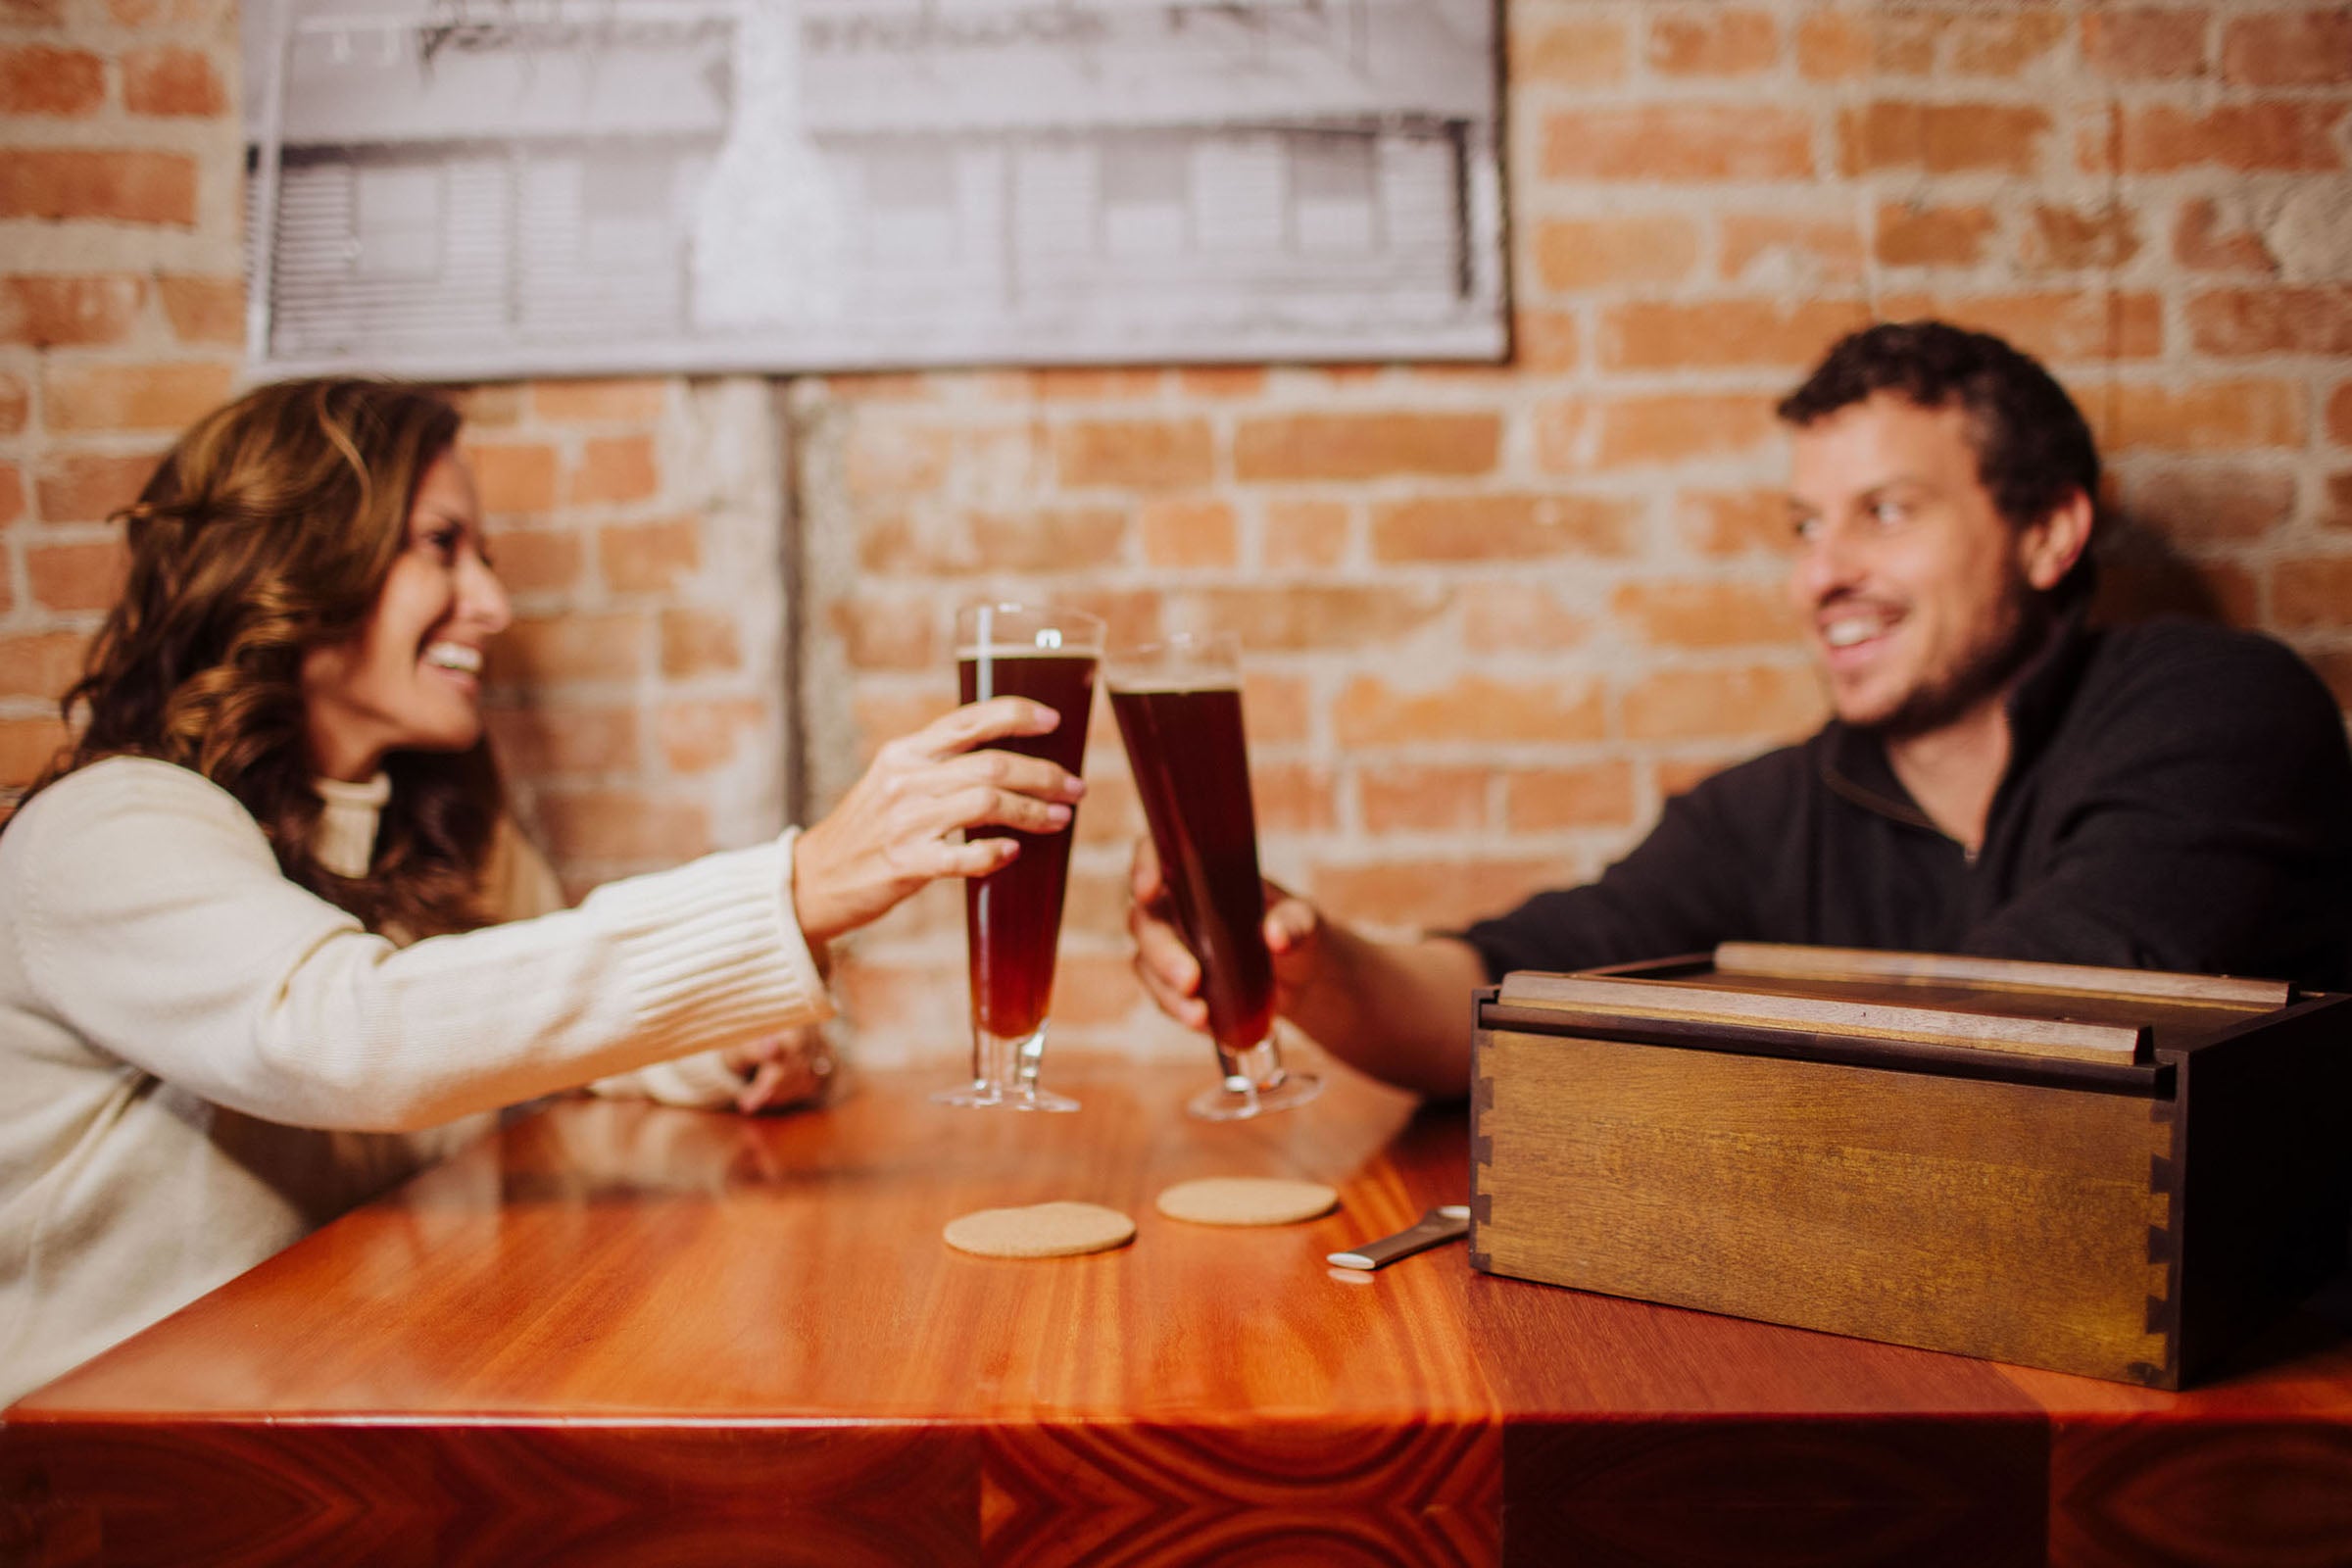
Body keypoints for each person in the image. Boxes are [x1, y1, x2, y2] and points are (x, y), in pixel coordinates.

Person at [0, 378, 1085, 1401]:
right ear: (291, 559)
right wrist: (795, 892)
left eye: (488, 556)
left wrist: (733, 1051)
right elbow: (351, 1035)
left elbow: (517, 1032)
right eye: (442, 548)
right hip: (103, 1479)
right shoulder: (111, 829)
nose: (493, 603)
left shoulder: (433, 839)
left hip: (337, 1425)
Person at [1131, 320, 2352, 1096]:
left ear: (2047, 532)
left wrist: (1687, 1045)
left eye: (1885, 511)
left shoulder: (2217, 708)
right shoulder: (1762, 813)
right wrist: (1305, 957)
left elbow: (2046, 1013)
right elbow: (1510, 992)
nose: (1820, 575)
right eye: (1806, 526)